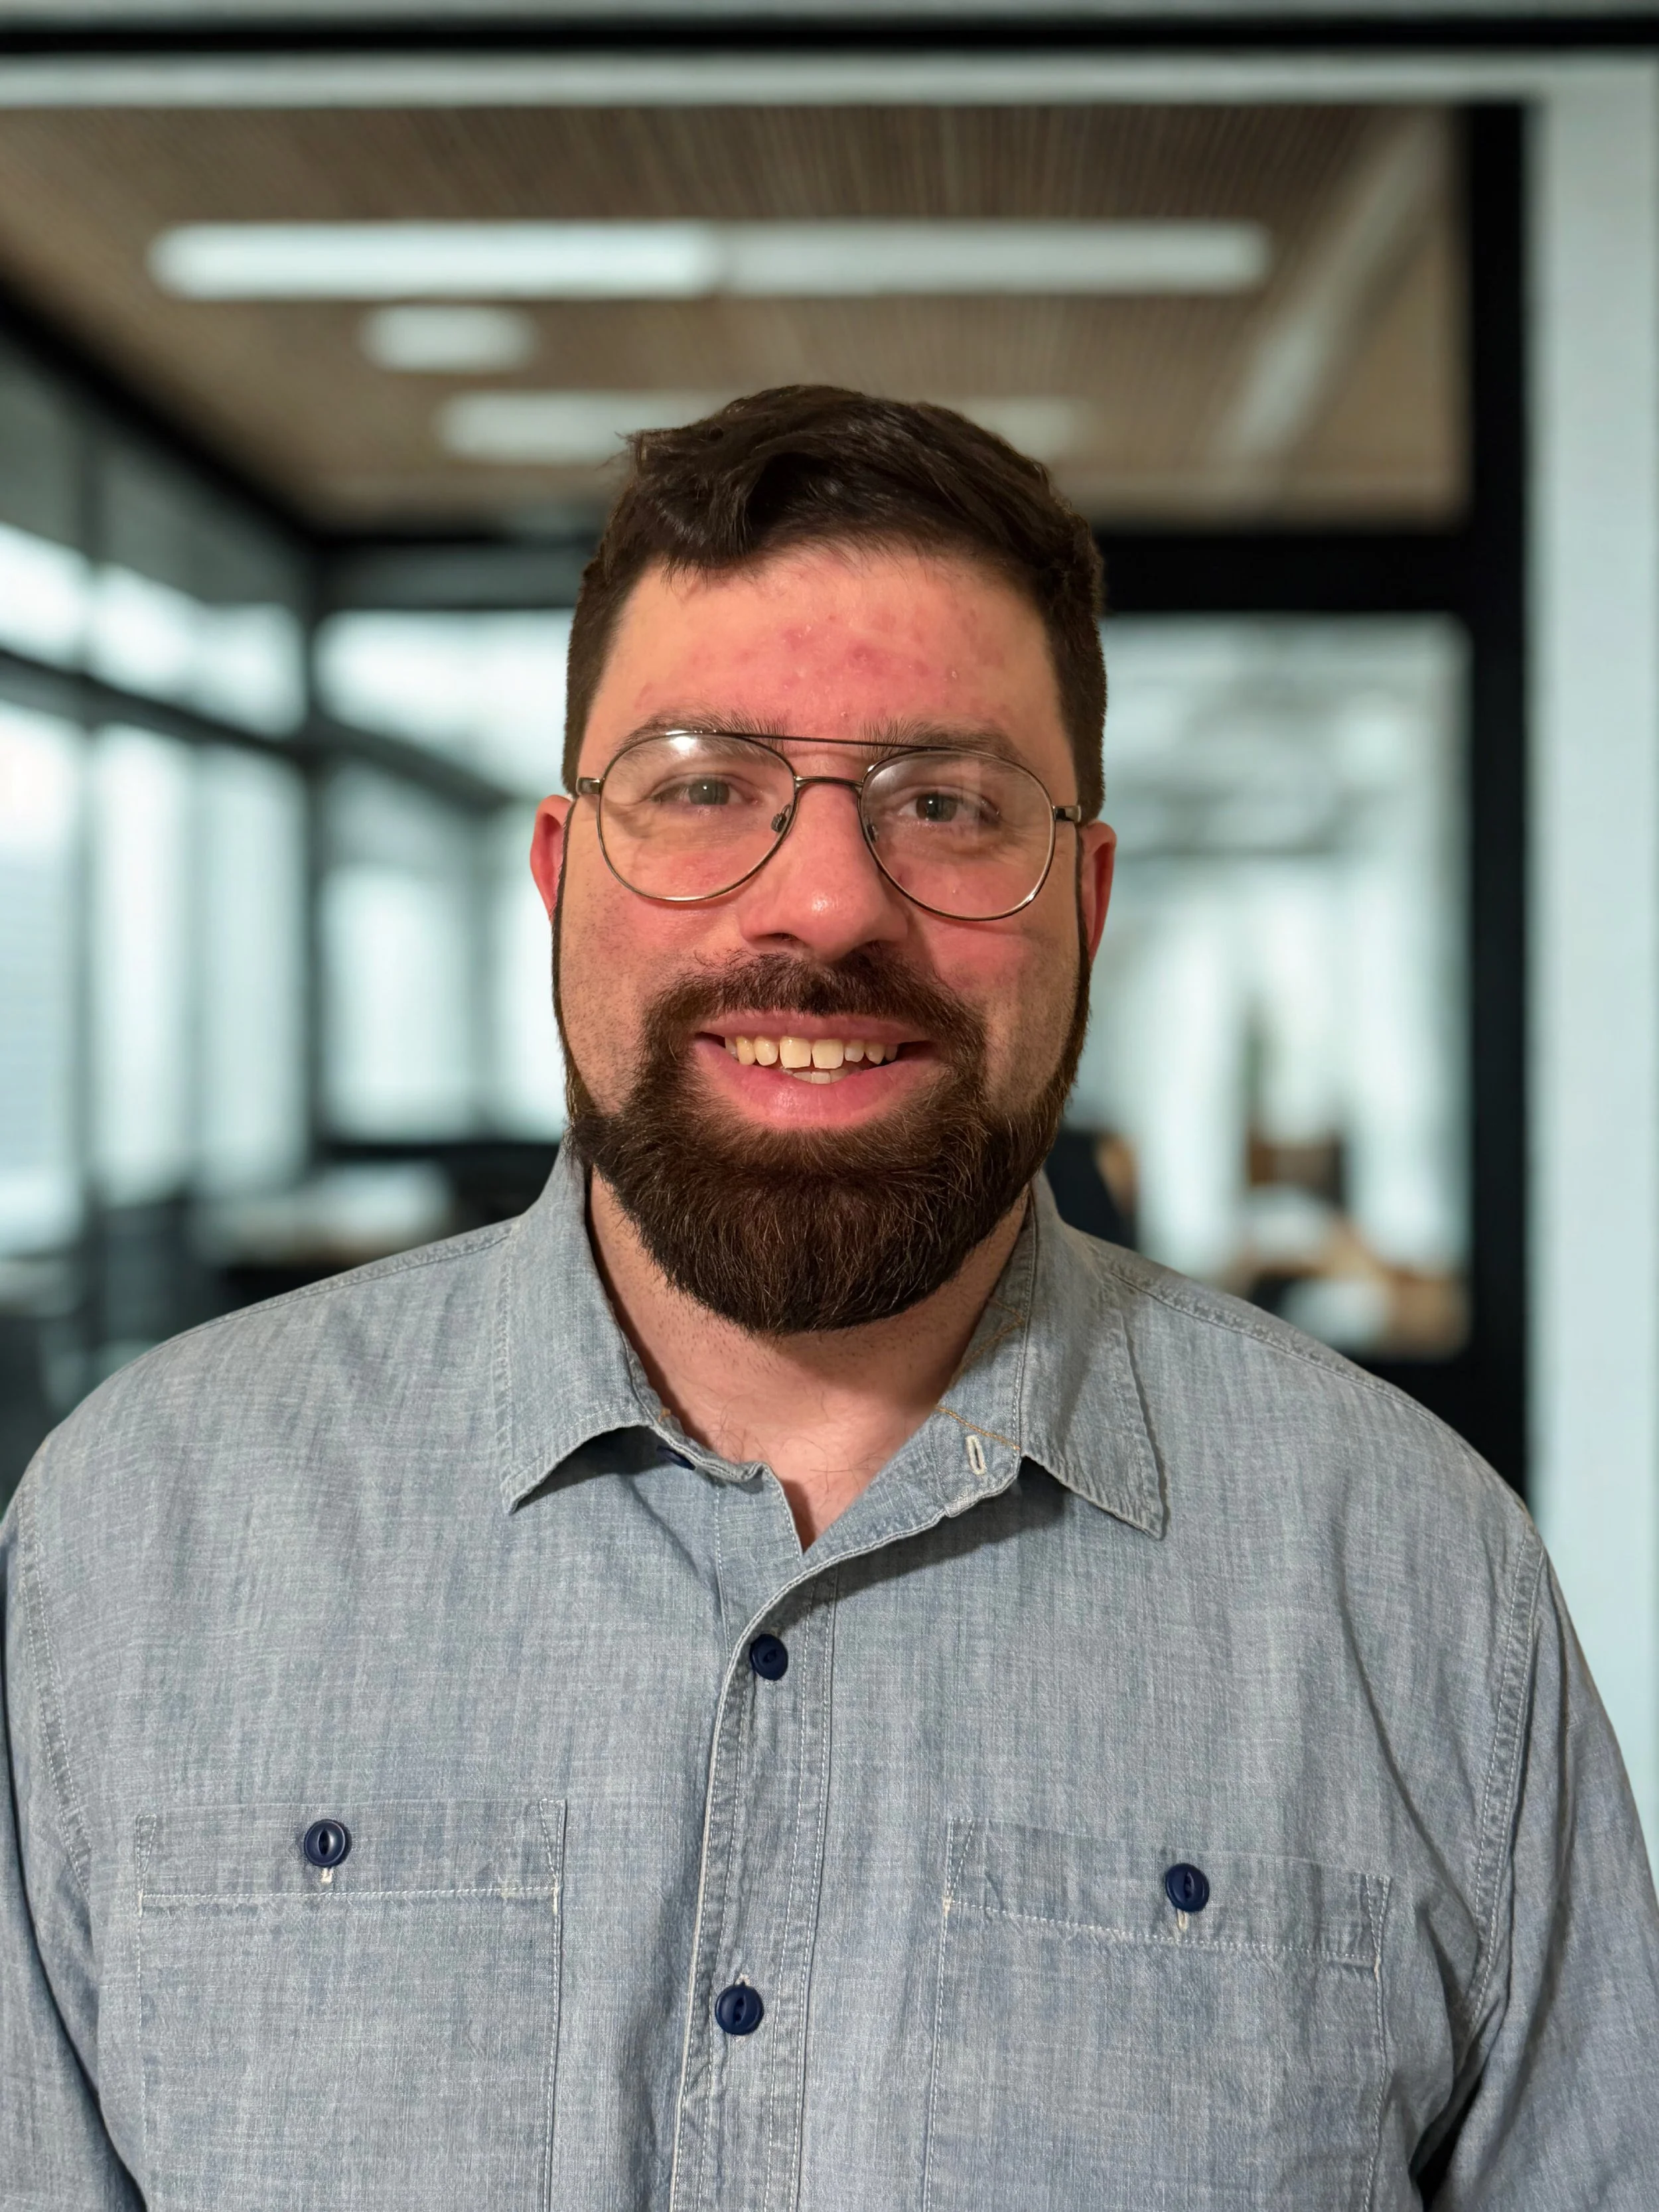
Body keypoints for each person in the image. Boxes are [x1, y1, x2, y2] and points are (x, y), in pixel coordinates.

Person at [3, 387, 1655, 2209]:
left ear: (1085, 900)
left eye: (941, 804)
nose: (819, 900)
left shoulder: (1418, 1581)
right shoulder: (126, 1542)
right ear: (560, 879)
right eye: (703, 786)